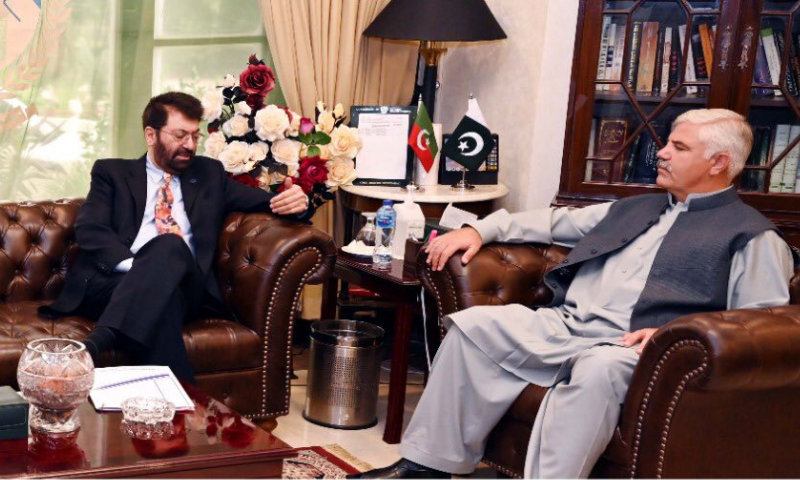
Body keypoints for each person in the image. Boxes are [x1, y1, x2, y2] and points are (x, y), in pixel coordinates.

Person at [351, 108, 796, 479]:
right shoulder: (637, 206)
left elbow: (760, 327)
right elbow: (551, 222)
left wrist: (671, 332)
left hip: (635, 348)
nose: (661, 152)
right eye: (667, 143)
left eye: (678, 148)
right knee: (474, 328)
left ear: (719, 162)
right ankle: (426, 467)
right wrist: (477, 229)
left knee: (598, 368)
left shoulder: (753, 237)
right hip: (566, 325)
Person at [38, 92, 311, 382]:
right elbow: (91, 229)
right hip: (113, 282)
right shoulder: (112, 173)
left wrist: (298, 203)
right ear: (151, 134)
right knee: (162, 303)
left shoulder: (209, 174)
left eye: (195, 136)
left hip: (187, 285)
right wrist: (144, 268)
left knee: (170, 245)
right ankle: (184, 414)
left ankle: (97, 343)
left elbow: (267, 203)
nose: (190, 145)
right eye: (180, 136)